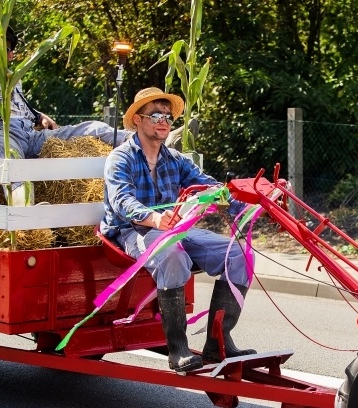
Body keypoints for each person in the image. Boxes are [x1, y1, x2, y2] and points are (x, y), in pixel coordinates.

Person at [101, 87, 256, 373]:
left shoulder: (175, 159)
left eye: (168, 117)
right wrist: (154, 218)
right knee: (172, 253)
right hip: (132, 231)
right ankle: (178, 349)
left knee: (238, 254)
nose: (164, 122)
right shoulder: (120, 158)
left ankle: (217, 343)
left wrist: (248, 204)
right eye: (156, 115)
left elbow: (210, 187)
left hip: (174, 229)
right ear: (137, 119)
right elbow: (122, 201)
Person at [0, 5, 127, 203]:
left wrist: (39, 115)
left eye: (3, 48)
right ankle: (24, 211)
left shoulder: (13, 80)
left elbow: (18, 108)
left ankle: (136, 142)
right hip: (1, 133)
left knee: (92, 128)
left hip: (31, 135)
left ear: (10, 54)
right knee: (10, 159)